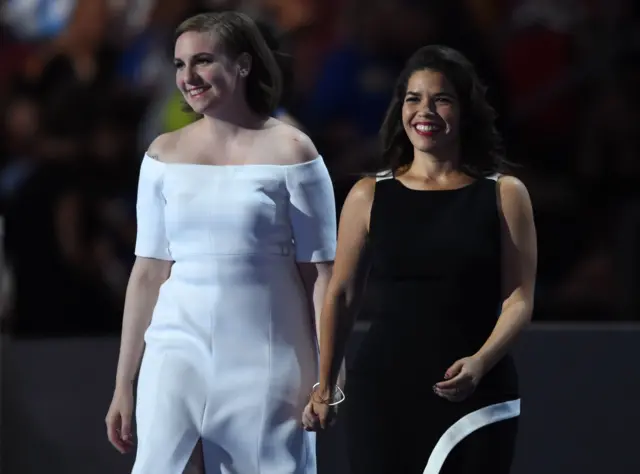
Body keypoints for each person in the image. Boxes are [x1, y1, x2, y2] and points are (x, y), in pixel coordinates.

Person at [105, 11, 336, 474]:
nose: (187, 77)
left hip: (270, 355)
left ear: (244, 64)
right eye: (178, 64)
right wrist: (123, 383)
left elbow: (321, 273)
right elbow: (148, 272)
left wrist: (331, 377)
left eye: (203, 61)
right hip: (175, 348)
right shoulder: (162, 154)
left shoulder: (294, 151)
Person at [303, 45, 537, 474]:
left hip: (479, 398)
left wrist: (481, 362)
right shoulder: (367, 194)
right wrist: (325, 387)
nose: (424, 110)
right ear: (400, 109)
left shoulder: (504, 193)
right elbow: (341, 294)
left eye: (441, 98)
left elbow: (520, 298)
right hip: (385, 394)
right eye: (414, 98)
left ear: (465, 110)